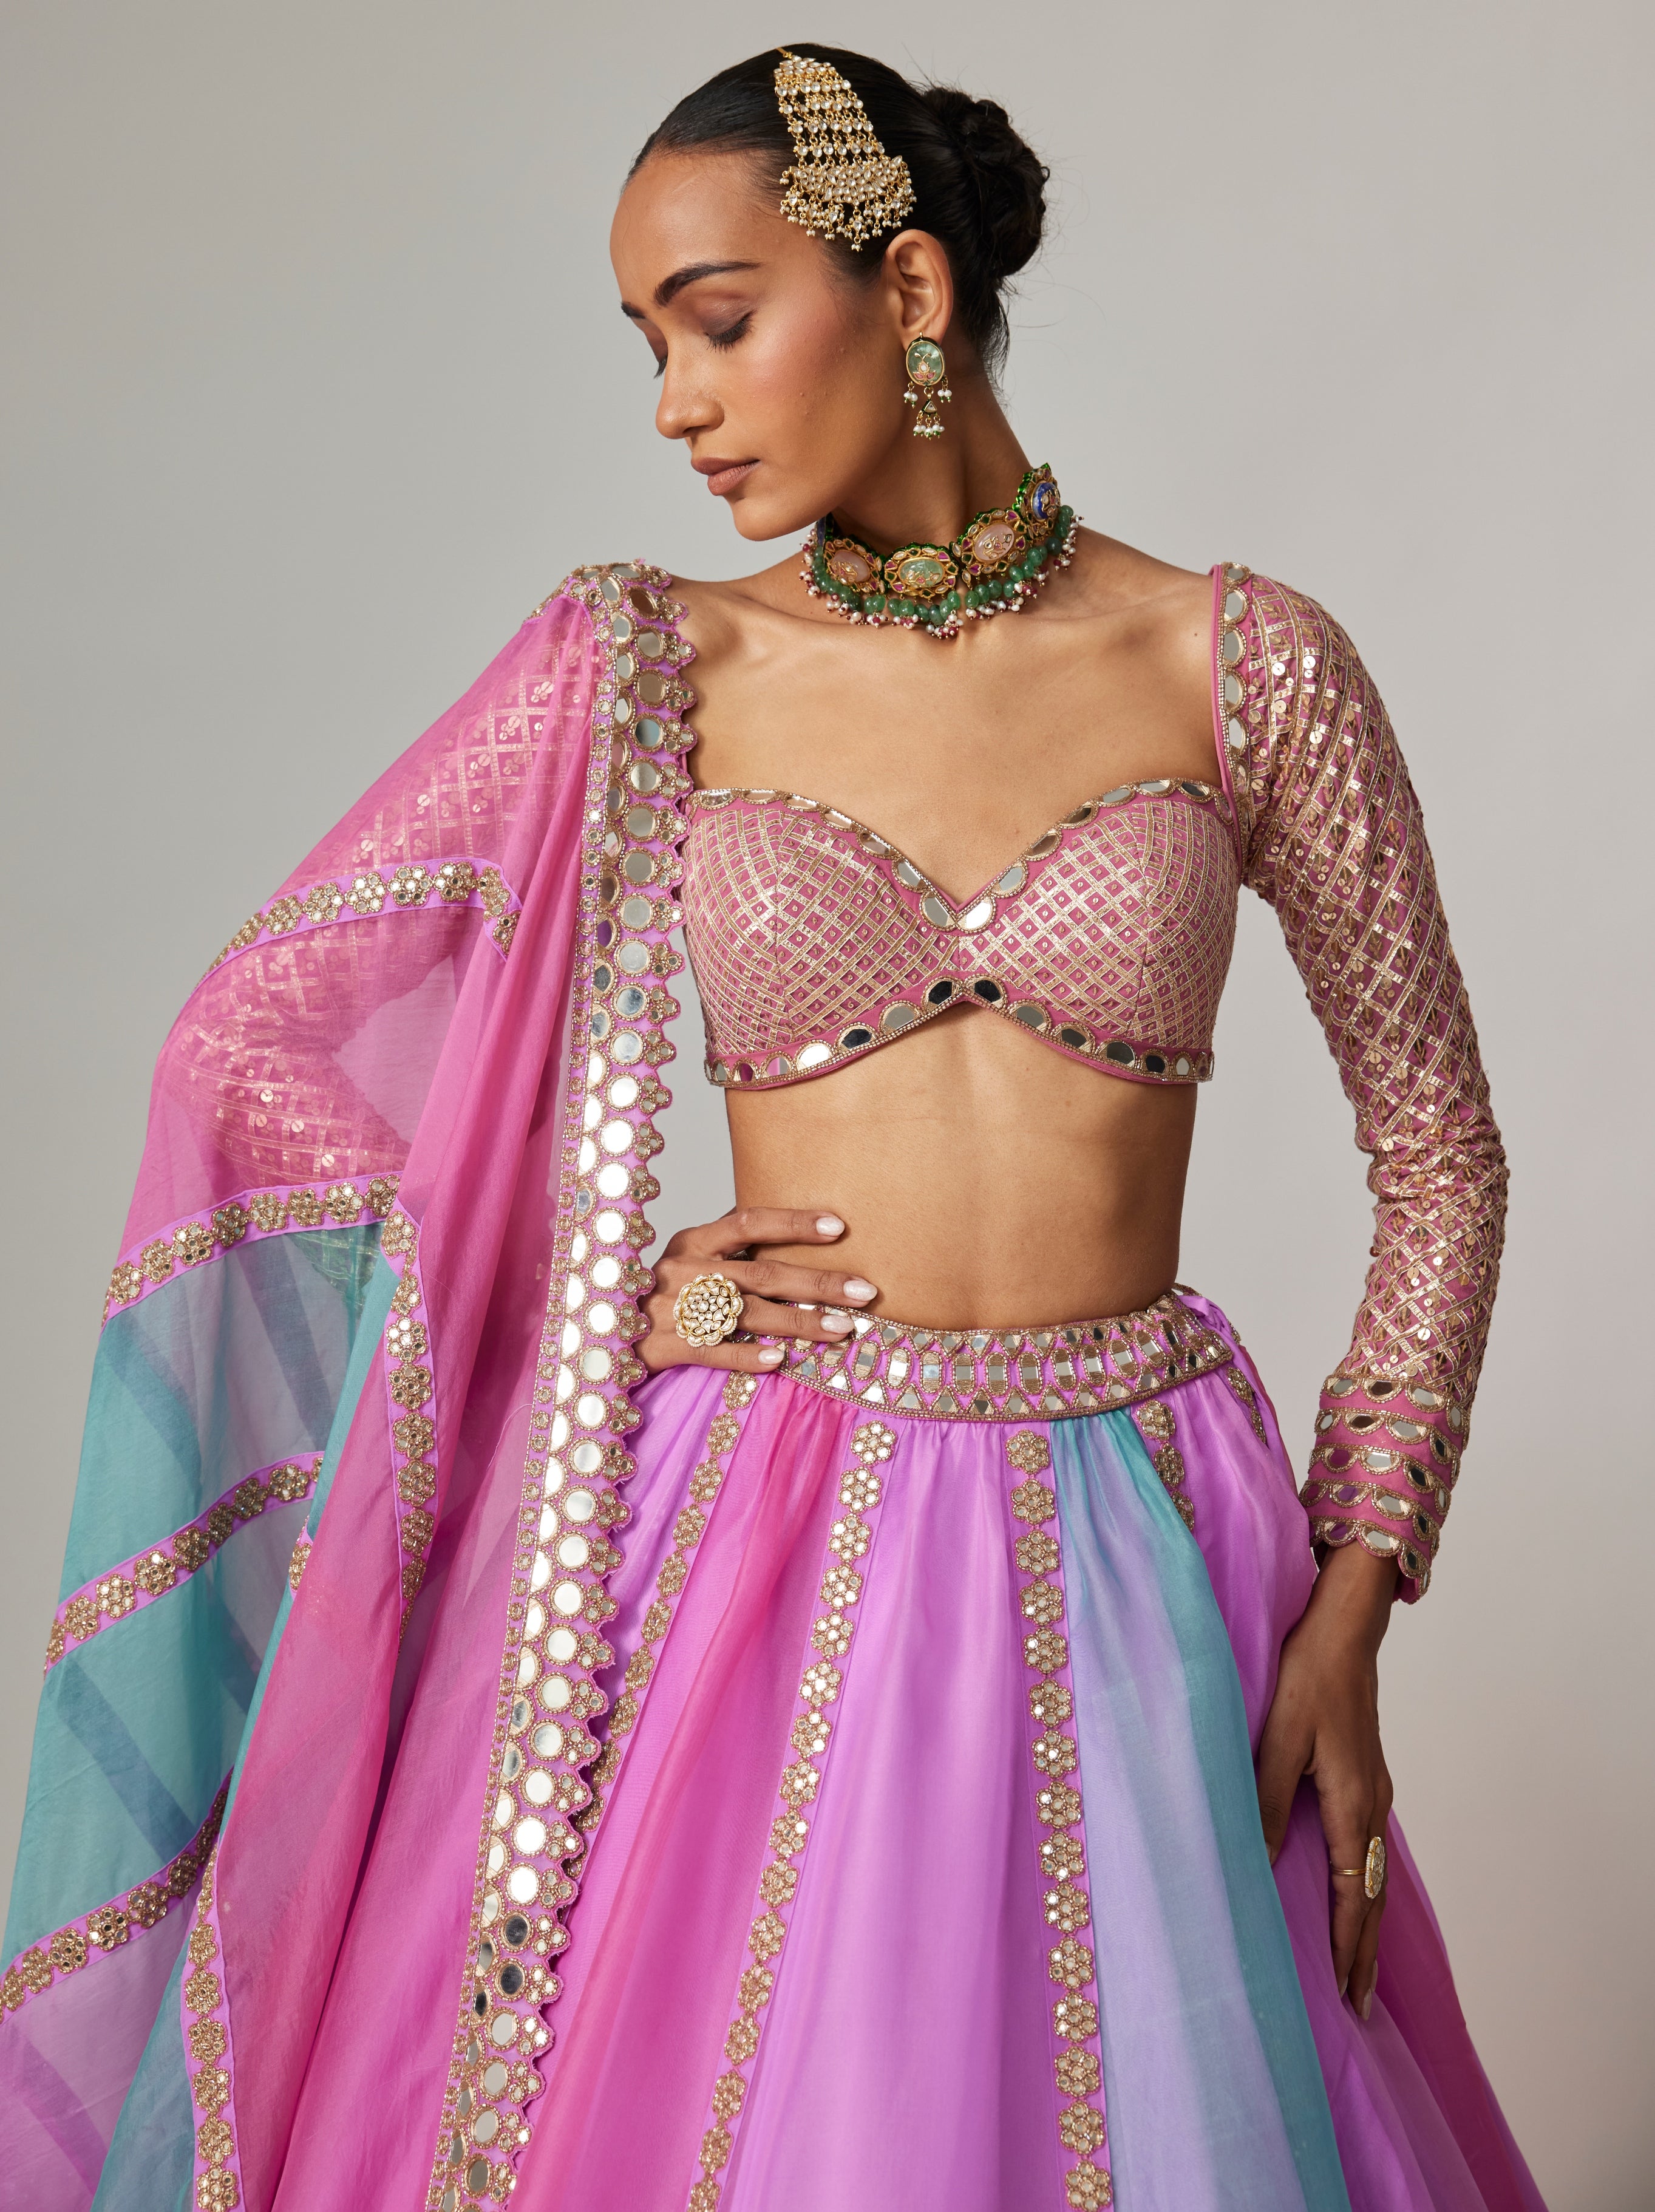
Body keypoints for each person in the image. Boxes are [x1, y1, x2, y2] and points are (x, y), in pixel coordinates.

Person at [0, 42, 1541, 2212]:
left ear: (907, 290)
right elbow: (244, 1048)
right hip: (762, 1539)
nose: (676, 403)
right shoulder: (646, 666)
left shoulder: (1243, 666)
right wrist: (586, 1291)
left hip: (1155, 1540)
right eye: (649, 343)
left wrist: (1359, 1582)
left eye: (717, 322)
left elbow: (1443, 1155)